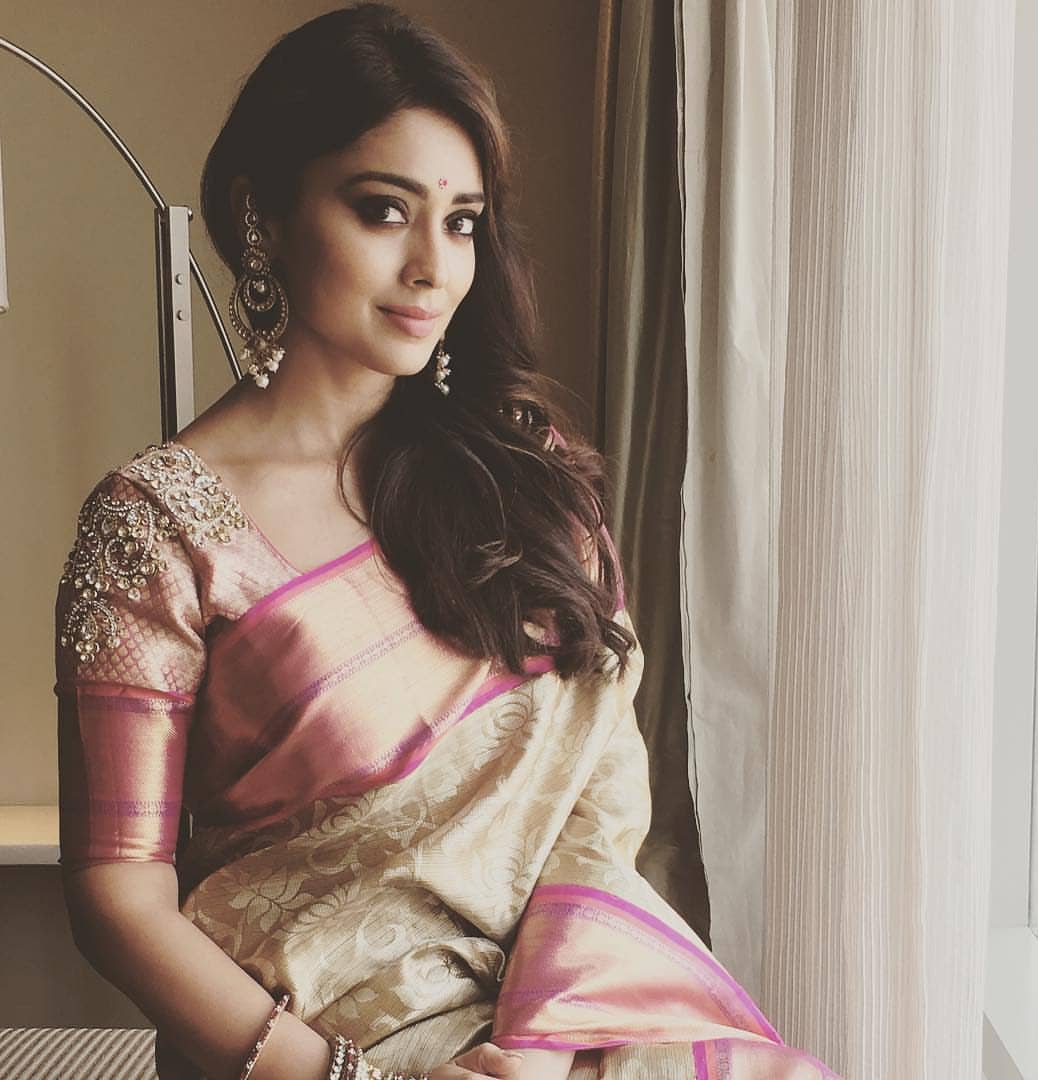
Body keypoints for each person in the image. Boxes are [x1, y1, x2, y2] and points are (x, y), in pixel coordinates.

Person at [52, 4, 840, 1079]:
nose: (434, 266)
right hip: (314, 1039)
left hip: (568, 1007)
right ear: (263, 215)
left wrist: (543, 1043)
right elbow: (116, 896)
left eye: (463, 220)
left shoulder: (522, 468)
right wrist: (354, 1077)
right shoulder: (160, 525)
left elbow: (597, 783)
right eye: (385, 211)